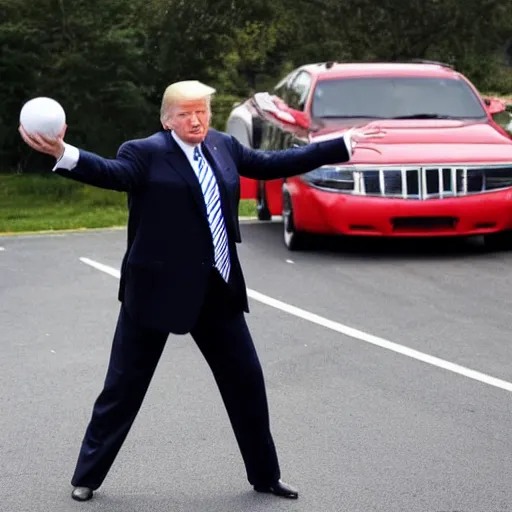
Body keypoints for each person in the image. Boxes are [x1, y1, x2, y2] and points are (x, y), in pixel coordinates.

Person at [18, 80, 383, 503]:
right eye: (186, 114)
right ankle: (87, 476)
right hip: (154, 292)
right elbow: (111, 174)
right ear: (166, 119)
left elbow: (271, 162)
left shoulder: (224, 146)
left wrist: (341, 144)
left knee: (247, 383)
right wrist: (64, 153)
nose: (196, 120)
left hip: (217, 290)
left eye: (202, 112)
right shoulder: (145, 152)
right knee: (123, 388)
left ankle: (265, 476)